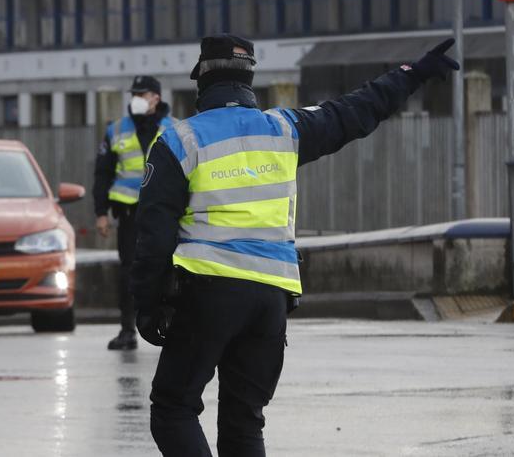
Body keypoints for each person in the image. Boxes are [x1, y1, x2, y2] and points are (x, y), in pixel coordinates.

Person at [131, 34, 458, 456]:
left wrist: (147, 304)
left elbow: (153, 234)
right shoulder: (285, 128)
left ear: (202, 81)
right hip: (271, 298)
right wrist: (413, 74)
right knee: (244, 422)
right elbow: (356, 110)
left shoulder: (179, 140)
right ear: (249, 78)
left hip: (207, 292)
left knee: (173, 408)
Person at [93, 75, 175, 351]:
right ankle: (128, 329)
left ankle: (168, 326)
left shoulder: (174, 129)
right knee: (129, 271)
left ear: (156, 98)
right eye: (135, 94)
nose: (137, 99)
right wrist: (101, 213)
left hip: (164, 213)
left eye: (143, 93)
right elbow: (102, 174)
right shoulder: (117, 129)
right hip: (129, 213)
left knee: (168, 269)